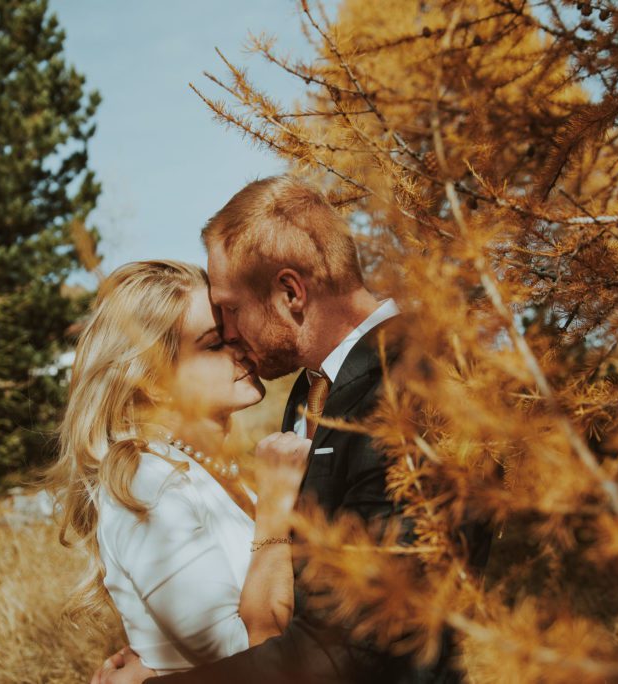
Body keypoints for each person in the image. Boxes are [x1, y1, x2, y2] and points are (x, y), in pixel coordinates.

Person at [95, 176, 493, 683]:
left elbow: (365, 643)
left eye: (232, 311)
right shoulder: (312, 390)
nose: (233, 336)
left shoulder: (414, 388)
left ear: (290, 293)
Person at [48, 259, 314, 679]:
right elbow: (253, 655)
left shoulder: (222, 469)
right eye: (213, 344)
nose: (242, 349)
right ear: (152, 380)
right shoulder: (144, 482)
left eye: (233, 333)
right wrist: (277, 508)